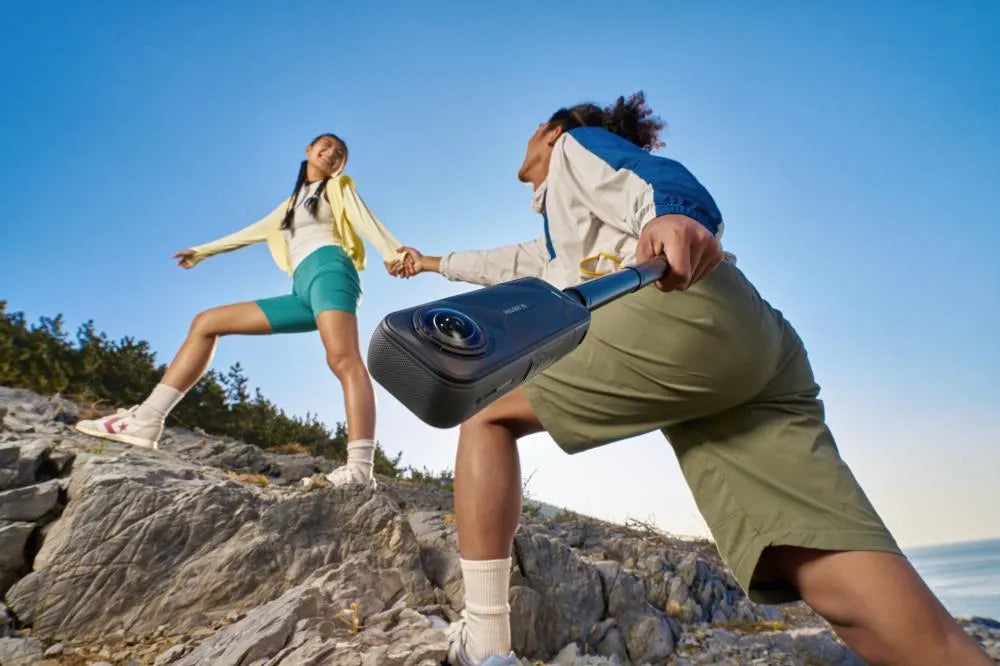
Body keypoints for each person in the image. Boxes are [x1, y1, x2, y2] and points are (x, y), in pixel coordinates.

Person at [392, 93, 992, 665]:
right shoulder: (564, 235)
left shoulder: (576, 145)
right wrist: (430, 264)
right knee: (838, 581)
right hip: (752, 346)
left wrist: (677, 216)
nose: (528, 141)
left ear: (552, 132)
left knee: (486, 410)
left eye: (535, 131)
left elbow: (654, 178)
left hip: (683, 306)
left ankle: (485, 643)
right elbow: (506, 264)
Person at [76, 133, 405, 489]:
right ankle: (147, 418)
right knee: (206, 323)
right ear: (309, 150)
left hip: (330, 271)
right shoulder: (288, 207)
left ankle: (359, 469)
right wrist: (202, 251)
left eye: (340, 153)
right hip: (300, 290)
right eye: (325, 146)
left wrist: (395, 253)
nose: (332, 153)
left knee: (342, 359)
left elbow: (365, 219)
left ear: (341, 166)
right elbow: (248, 233)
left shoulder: (337, 187)